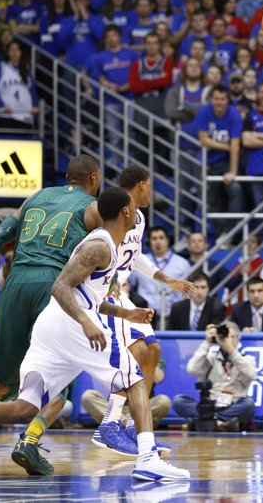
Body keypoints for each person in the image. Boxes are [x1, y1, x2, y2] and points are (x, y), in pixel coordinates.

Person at [0, 188, 190, 481]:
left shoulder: (111, 247)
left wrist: (126, 314)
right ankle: (147, 458)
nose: (137, 213)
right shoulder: (100, 245)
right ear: (125, 212)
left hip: (55, 327)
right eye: (133, 208)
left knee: (25, 407)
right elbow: (60, 286)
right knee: (134, 380)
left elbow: (91, 296)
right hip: (72, 324)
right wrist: (85, 322)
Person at [0, 156, 103, 475]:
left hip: (15, 283)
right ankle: (29, 442)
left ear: (66, 176)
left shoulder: (34, 197)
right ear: (93, 178)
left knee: (5, 379)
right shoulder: (92, 207)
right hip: (53, 286)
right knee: (59, 383)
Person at [82, 166, 197, 455]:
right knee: (134, 354)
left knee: (153, 351)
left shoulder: (140, 218)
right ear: (141, 185)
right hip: (107, 294)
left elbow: (135, 257)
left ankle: (136, 426)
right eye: (150, 185)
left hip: (122, 294)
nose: (152, 191)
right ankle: (108, 425)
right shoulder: (109, 213)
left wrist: (167, 279)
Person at [172, 320, 257, 431]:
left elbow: (251, 375)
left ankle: (206, 421)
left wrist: (231, 350)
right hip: (210, 405)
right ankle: (220, 423)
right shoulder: (212, 358)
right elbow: (191, 369)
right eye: (225, 337)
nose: (228, 340)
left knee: (249, 405)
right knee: (179, 401)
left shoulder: (247, 359)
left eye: (232, 337)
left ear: (238, 339)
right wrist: (207, 342)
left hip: (233, 405)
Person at [128, 227, 191, 317]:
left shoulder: (182, 263)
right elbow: (130, 286)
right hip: (145, 313)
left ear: (167, 240)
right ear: (149, 242)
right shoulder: (139, 262)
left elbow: (188, 289)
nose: (158, 241)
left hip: (175, 313)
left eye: (161, 238)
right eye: (154, 238)